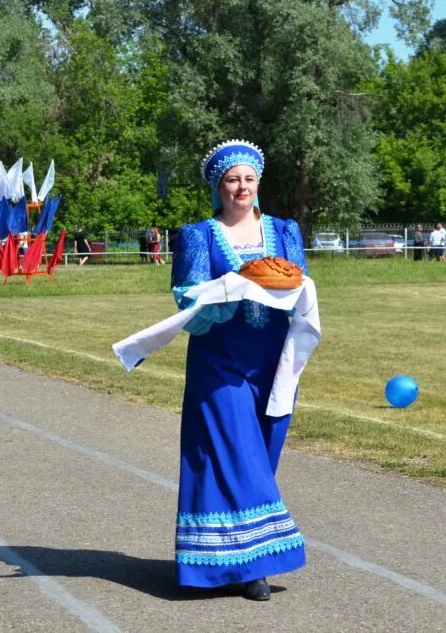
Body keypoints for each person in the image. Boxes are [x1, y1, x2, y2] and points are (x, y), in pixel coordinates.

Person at [169, 139, 308, 601]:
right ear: (217, 186)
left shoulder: (285, 231)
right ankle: (256, 569)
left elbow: (299, 283)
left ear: (258, 183)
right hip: (219, 360)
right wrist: (229, 294)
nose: (241, 187)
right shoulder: (197, 235)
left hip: (272, 359)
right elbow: (186, 299)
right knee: (237, 454)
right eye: (232, 179)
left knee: (262, 456)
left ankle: (223, 559)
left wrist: (280, 285)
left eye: (248, 178)